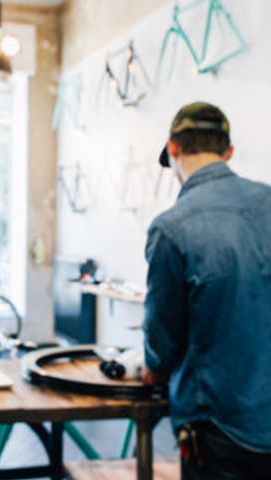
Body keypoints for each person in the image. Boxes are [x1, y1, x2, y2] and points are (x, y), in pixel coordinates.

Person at [141, 102, 271, 479]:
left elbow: (162, 342)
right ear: (228, 152)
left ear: (173, 148)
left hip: (219, 429)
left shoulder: (171, 228)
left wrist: (152, 368)